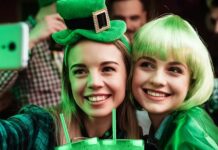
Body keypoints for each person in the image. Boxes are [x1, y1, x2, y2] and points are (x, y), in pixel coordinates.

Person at [49, 0, 141, 145]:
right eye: (80, 71)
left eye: (107, 69)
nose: (94, 83)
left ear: (128, 75)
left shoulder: (147, 128)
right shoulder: (44, 126)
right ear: (68, 80)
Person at [131, 14, 218, 149]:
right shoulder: (175, 124)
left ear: (192, 79)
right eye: (147, 65)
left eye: (174, 70)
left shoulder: (187, 137)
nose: (157, 80)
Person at [0, 0, 66, 110]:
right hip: (41, 123)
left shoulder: (71, 32)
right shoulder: (15, 34)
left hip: (74, 123)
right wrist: (29, 41)